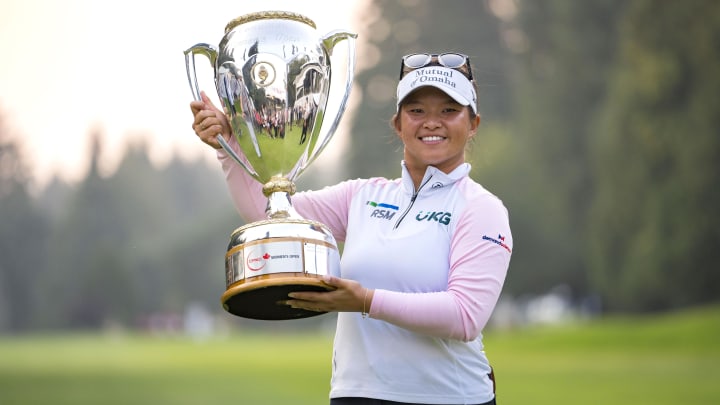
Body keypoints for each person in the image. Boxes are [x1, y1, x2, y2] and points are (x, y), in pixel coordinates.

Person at [190, 52, 512, 405]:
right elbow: (268, 214)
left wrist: (365, 301)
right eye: (417, 111)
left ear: (473, 124)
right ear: (398, 124)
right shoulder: (362, 196)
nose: (431, 122)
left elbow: (465, 316)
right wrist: (228, 146)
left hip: (448, 398)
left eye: (449, 111)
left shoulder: (482, 209)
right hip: (354, 394)